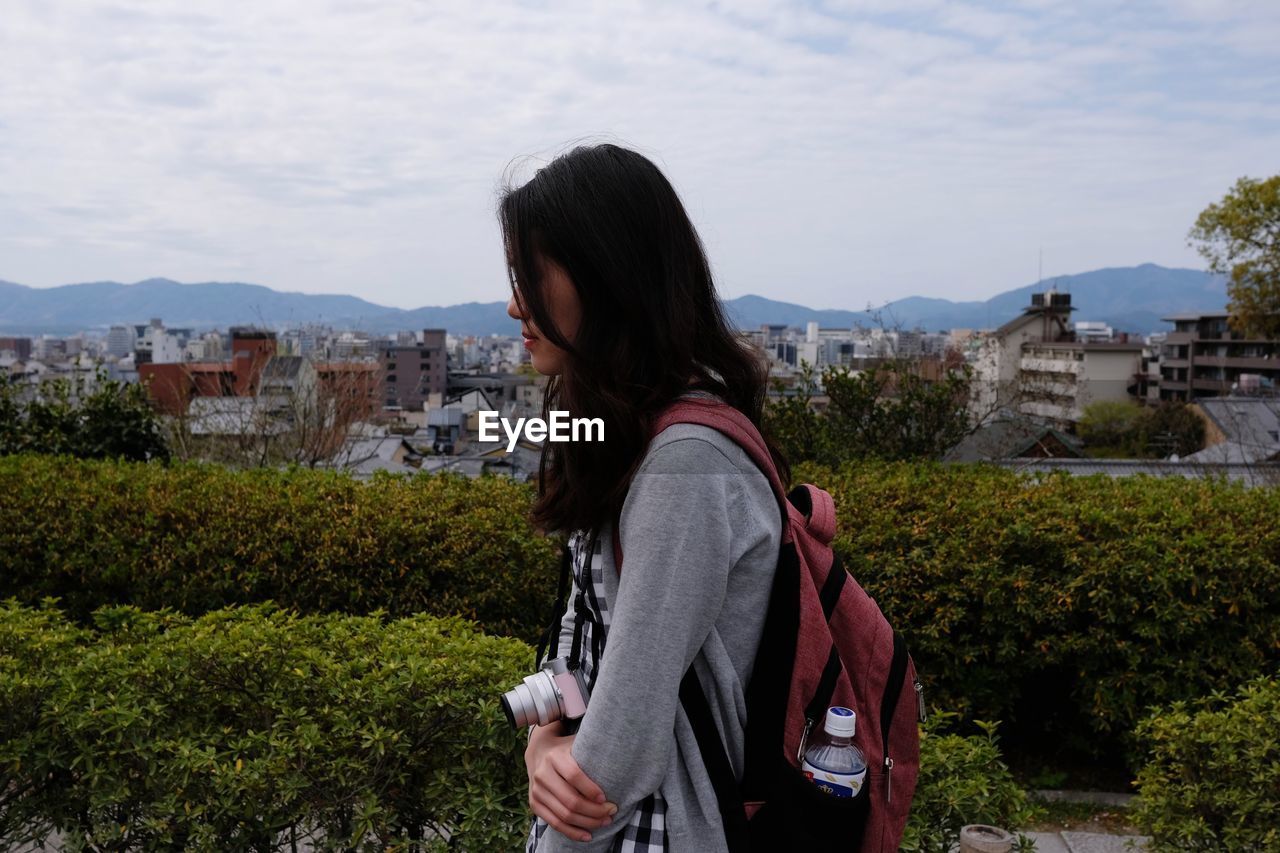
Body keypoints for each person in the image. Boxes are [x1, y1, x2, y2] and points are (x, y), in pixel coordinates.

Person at [500, 143, 789, 852]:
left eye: (531, 276)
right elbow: (583, 635)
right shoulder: (628, 431)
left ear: (609, 277)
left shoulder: (682, 464)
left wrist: (560, 779)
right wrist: (544, 733)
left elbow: (612, 766)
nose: (515, 306)